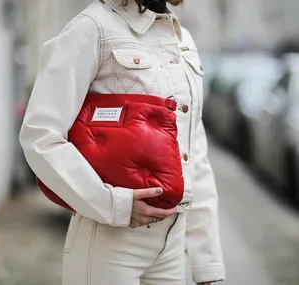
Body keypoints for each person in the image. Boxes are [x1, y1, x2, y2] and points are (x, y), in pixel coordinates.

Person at [19, 0, 225, 284]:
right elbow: (40, 136)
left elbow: (194, 153)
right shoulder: (93, 26)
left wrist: (207, 262)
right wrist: (114, 204)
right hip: (109, 242)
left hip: (172, 246)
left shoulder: (182, 38)